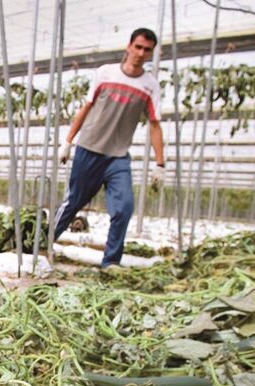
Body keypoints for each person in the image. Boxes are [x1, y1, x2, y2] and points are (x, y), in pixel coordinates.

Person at [54, 27, 165, 268]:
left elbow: (155, 124)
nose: (140, 53)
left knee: (124, 207)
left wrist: (160, 164)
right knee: (74, 202)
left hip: (117, 157)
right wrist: (68, 141)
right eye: (137, 47)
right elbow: (86, 107)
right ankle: (41, 244)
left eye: (147, 50)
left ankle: (110, 264)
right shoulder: (105, 73)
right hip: (89, 149)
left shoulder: (150, 86)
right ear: (128, 46)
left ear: (151, 54)